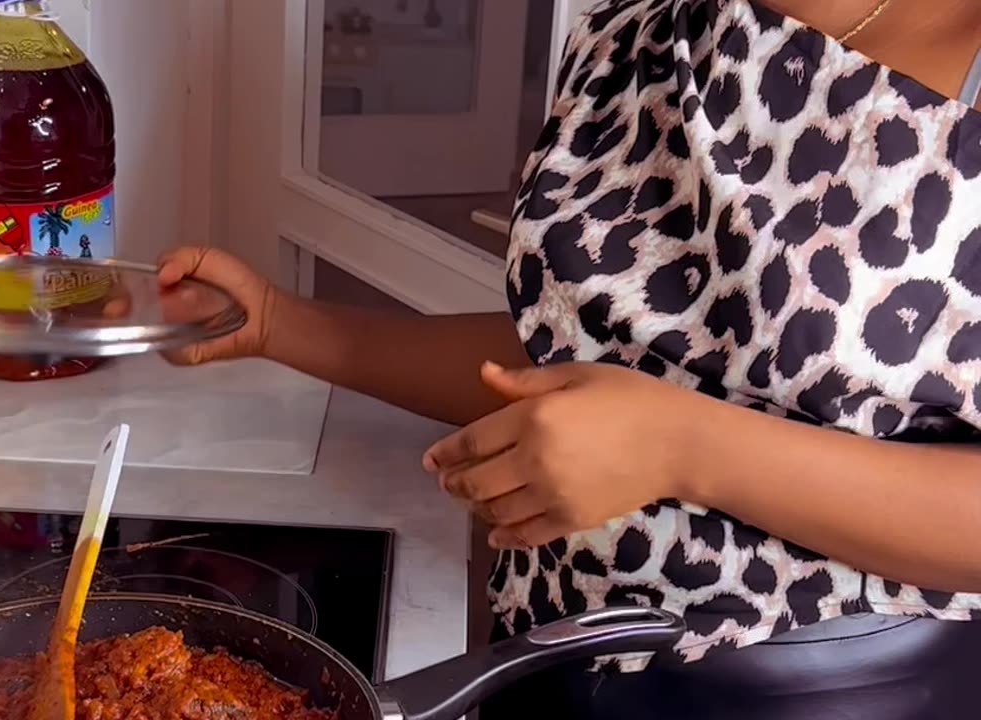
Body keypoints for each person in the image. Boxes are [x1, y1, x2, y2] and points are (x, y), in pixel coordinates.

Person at [159, 0, 981, 717]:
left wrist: (683, 448)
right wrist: (280, 324)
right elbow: (581, 355)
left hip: (841, 693)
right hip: (545, 662)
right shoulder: (639, 30)